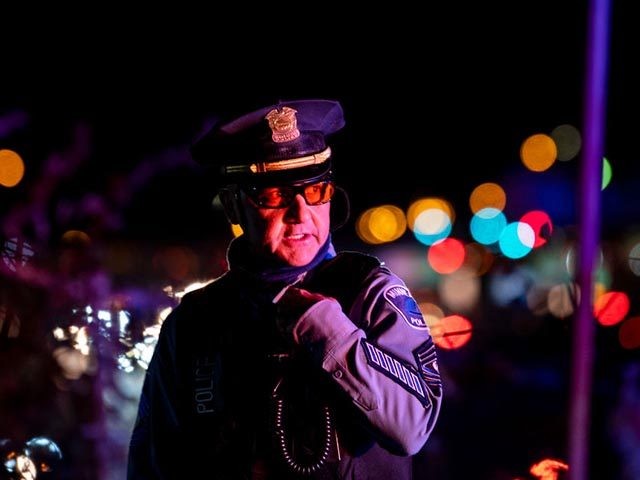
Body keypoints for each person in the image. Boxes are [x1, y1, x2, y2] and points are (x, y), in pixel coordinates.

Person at [127, 99, 443, 479]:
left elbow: (411, 428)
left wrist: (331, 334)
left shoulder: (370, 292)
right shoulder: (193, 322)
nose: (300, 213)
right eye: (275, 195)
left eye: (315, 191)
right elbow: (154, 462)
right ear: (233, 207)